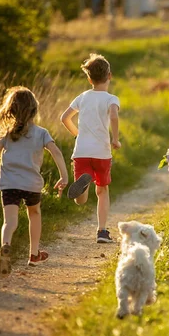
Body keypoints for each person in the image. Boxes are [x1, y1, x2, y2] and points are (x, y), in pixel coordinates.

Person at [0, 86, 68, 274]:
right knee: (34, 214)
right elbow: (56, 152)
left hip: (9, 184)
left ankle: (5, 246)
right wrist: (64, 176)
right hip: (31, 184)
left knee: (9, 221)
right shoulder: (41, 133)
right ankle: (34, 254)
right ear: (34, 110)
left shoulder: (6, 133)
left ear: (11, 110)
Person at [60, 53, 121, 243]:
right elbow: (113, 116)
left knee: (81, 200)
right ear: (109, 75)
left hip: (82, 152)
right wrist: (115, 139)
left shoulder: (83, 97)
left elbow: (64, 118)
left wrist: (77, 134)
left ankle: (82, 187)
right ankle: (102, 232)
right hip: (101, 153)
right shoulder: (111, 99)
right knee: (102, 191)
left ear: (89, 78)